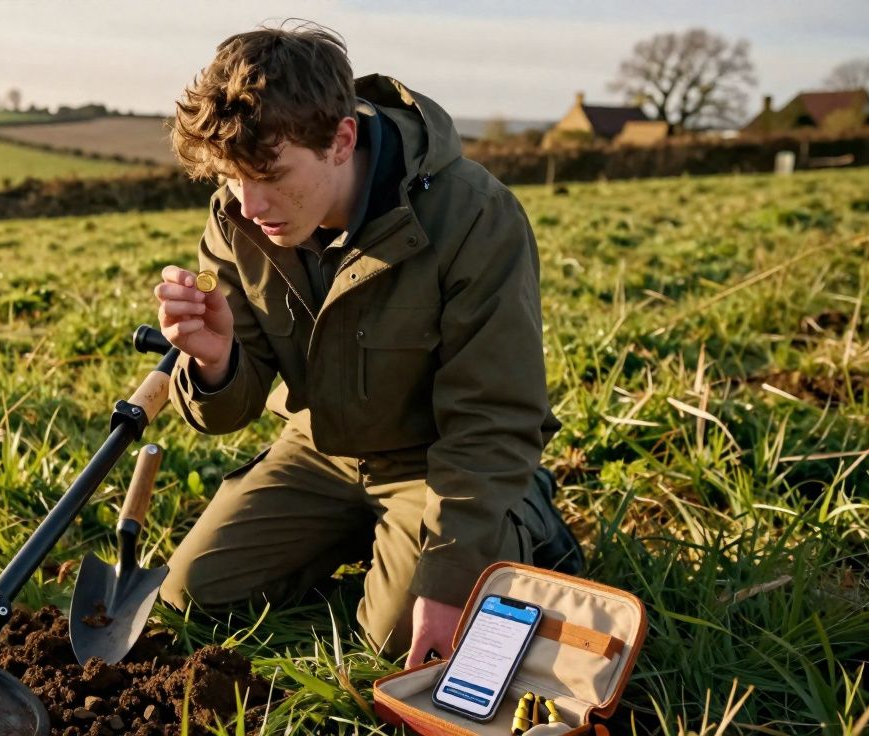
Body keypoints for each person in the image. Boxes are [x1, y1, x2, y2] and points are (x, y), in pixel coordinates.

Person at [153, 21, 582, 667]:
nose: (252, 203)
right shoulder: (236, 214)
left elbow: (493, 418)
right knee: (193, 595)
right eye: (232, 177)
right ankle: (372, 539)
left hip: (435, 461)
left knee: (399, 642)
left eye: (271, 174)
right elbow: (230, 411)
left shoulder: (474, 216)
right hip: (319, 448)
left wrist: (446, 578)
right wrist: (215, 363)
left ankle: (520, 518)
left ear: (341, 138)